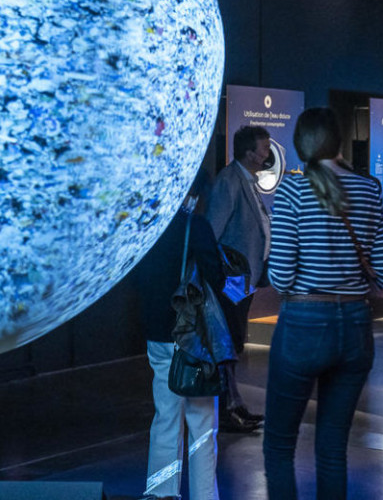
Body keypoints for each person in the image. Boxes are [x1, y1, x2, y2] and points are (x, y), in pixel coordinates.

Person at [263, 107, 383, 500]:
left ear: (300, 143)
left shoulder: (291, 190)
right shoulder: (369, 189)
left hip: (304, 324)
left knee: (279, 446)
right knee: (333, 449)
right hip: (355, 326)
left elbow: (282, 276)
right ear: (338, 140)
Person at [136, 170, 226, 500]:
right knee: (202, 422)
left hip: (158, 333)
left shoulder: (150, 226)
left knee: (165, 416)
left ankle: (161, 493)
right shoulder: (196, 227)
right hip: (193, 338)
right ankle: (204, 496)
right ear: (196, 194)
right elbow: (214, 278)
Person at [206, 125, 272, 432]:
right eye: (263, 148)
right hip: (231, 280)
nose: (267, 154)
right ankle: (228, 409)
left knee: (233, 343)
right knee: (228, 342)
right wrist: (225, 277)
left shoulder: (248, 181)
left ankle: (234, 405)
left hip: (243, 279)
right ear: (249, 153)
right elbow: (212, 234)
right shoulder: (229, 181)